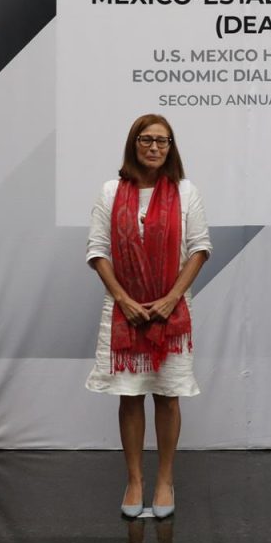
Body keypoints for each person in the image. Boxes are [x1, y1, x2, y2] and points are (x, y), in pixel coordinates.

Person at [86, 114, 211, 519]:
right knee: (130, 395)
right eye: (146, 140)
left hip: (170, 313)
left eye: (163, 141)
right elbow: (97, 251)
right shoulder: (111, 190)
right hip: (123, 311)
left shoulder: (185, 191)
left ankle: (164, 479)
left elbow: (200, 249)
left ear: (171, 147)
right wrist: (122, 299)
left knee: (168, 396)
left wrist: (172, 298)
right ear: (133, 144)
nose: (154, 147)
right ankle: (135, 479)